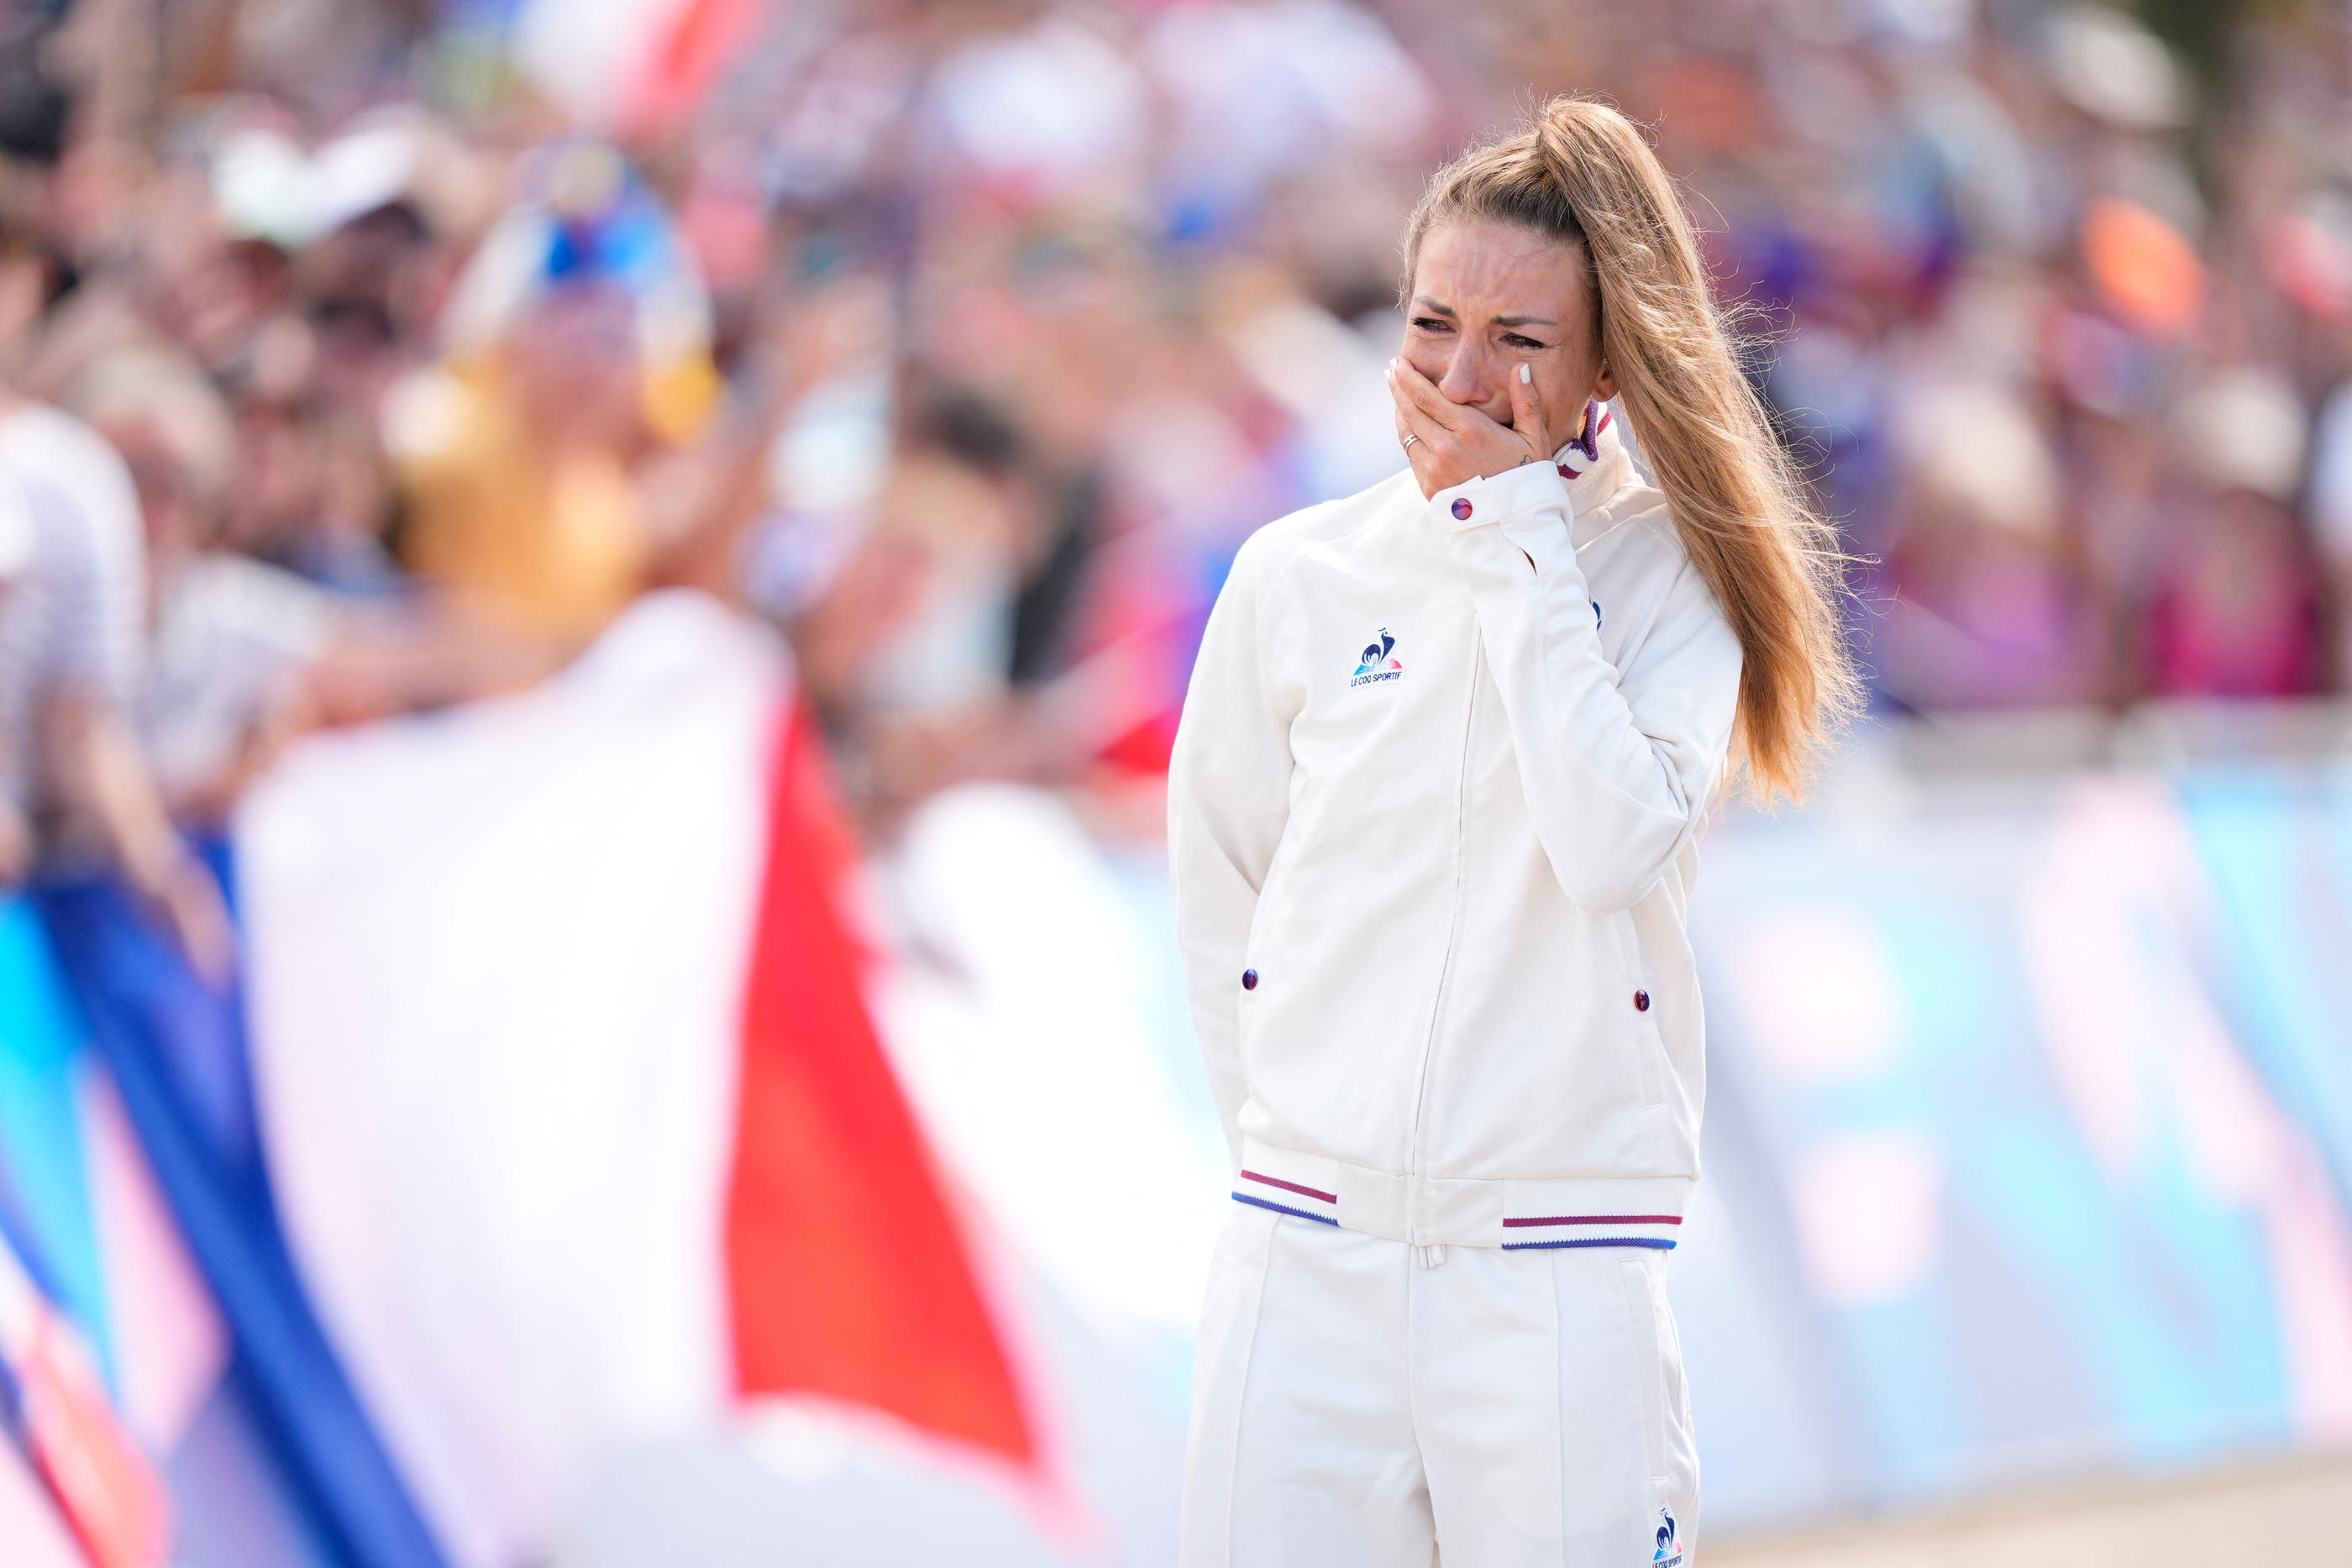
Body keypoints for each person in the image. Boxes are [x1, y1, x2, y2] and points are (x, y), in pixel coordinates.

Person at [1168, 97, 1857, 1567]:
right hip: (1306, 1255)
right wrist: (1311, 1175)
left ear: (1609, 357)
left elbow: (1613, 848)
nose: (1461, 375)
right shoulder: (1297, 573)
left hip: (1556, 1274)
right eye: (1433, 322)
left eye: (1521, 340)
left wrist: (1512, 535)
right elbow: (1220, 902)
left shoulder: (1675, 574)